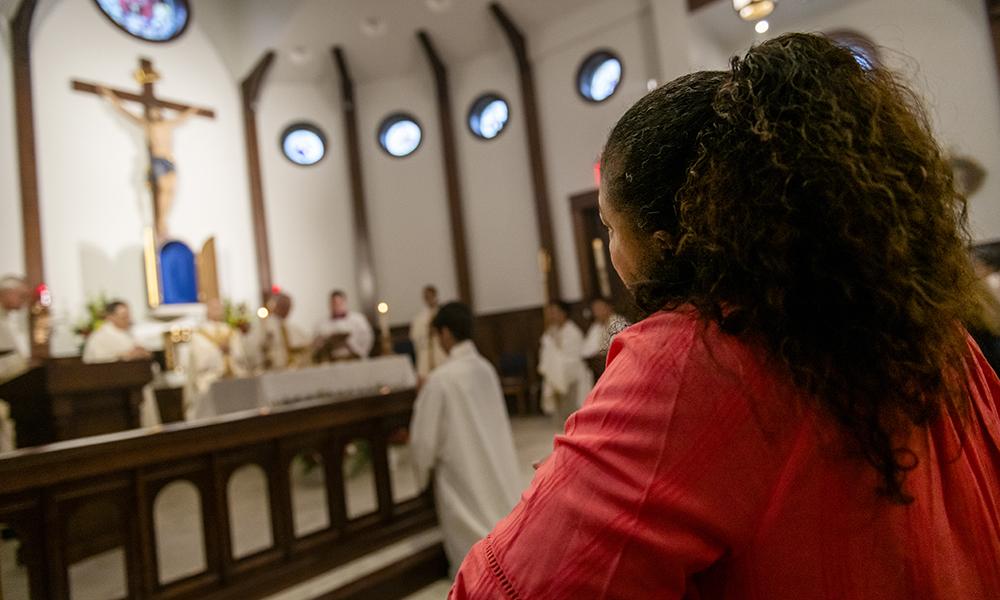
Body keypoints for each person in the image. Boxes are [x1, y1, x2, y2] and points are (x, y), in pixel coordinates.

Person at [451, 34, 1000, 598]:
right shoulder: (930, 327)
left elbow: (510, 589)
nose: (612, 252)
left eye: (610, 227)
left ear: (663, 239)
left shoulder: (695, 361)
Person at [408, 302, 522, 576]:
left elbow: (424, 443)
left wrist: (421, 478)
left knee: (476, 559)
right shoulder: (485, 368)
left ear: (446, 333)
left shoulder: (440, 380)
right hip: (497, 471)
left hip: (463, 480)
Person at [97, 85, 199, 239]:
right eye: (151, 110)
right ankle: (160, 223)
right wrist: (110, 95)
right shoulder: (147, 124)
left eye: (156, 110)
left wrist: (193, 110)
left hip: (170, 161)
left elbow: (183, 118)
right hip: (158, 161)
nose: (154, 112)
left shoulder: (168, 124)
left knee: (170, 191)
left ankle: (163, 220)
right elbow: (123, 110)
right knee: (162, 190)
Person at [82, 300, 160, 427]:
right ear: (110, 317)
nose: (128, 320)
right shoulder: (99, 338)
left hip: (139, 387)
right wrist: (125, 356)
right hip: (116, 397)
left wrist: (144, 354)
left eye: (128, 316)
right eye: (124, 317)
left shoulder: (129, 334)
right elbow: (96, 366)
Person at [184, 299, 251, 419]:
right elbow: (200, 362)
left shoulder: (232, 331)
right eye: (214, 308)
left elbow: (241, 357)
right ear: (207, 311)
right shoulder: (198, 335)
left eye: (219, 308)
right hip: (210, 381)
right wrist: (217, 351)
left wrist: (231, 350)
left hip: (233, 381)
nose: (217, 311)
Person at [537, 300, 593, 423]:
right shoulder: (551, 331)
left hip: (572, 368)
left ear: (564, 313)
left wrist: (558, 362)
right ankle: (561, 420)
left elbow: (574, 355)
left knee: (559, 374)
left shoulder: (573, 331)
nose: (552, 316)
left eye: (555, 312)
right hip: (558, 368)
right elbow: (547, 351)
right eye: (550, 313)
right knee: (553, 375)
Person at [251, 292, 310, 370]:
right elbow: (255, 348)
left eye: (288, 306)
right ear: (274, 306)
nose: (286, 309)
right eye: (282, 306)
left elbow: (305, 346)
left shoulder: (293, 329)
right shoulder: (263, 326)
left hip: (291, 370)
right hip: (272, 370)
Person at [313, 290, 374, 361]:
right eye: (334, 303)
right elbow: (316, 345)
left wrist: (349, 342)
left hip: (354, 358)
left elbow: (367, 339)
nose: (337, 306)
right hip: (332, 361)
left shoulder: (358, 319)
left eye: (339, 303)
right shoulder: (321, 324)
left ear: (345, 302)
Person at [409, 285, 447, 377]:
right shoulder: (419, 318)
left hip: (441, 350)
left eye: (431, 296)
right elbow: (415, 337)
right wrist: (426, 333)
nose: (429, 299)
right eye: (426, 296)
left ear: (435, 296)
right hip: (426, 351)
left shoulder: (443, 314)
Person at [580, 297, 623, 378]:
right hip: (601, 366)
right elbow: (585, 351)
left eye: (600, 308)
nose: (597, 313)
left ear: (609, 307)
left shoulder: (619, 322)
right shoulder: (596, 326)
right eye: (595, 310)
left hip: (619, 364)